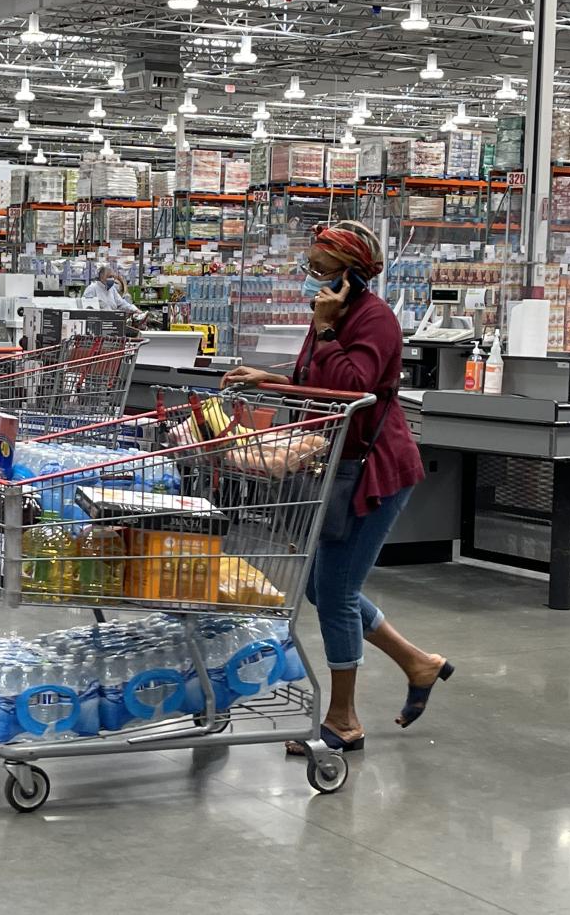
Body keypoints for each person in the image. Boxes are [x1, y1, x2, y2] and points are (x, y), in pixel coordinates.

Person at [221, 220, 453, 754]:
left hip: (375, 471)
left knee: (338, 594)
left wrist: (326, 332)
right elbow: (319, 382)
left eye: (321, 270)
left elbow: (355, 389)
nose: (311, 278)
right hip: (336, 465)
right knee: (320, 588)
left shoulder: (374, 319)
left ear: (352, 276)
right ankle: (419, 665)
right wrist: (272, 380)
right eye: (310, 267)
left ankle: (344, 719)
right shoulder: (331, 312)